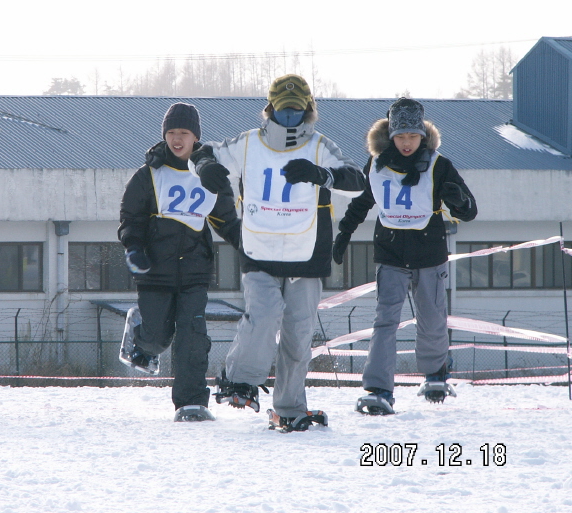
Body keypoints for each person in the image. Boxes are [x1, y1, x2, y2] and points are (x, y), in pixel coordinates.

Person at [189, 74, 365, 432]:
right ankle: (238, 379)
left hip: (308, 254)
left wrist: (321, 175)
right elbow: (203, 152)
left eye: (296, 110)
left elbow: (357, 180)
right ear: (270, 109)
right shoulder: (250, 143)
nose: (289, 117)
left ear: (307, 110)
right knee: (264, 314)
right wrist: (206, 167)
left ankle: (289, 406)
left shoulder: (318, 146)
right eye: (283, 110)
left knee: (299, 334)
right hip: (260, 249)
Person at [332, 97, 477, 415]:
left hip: (430, 254)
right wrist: (343, 234)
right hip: (391, 254)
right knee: (385, 322)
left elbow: (470, 211)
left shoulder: (440, 166)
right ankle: (379, 388)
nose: (407, 142)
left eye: (413, 136)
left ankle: (436, 374)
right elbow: (361, 202)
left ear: (423, 135)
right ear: (390, 135)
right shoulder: (376, 165)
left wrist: (459, 201)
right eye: (401, 136)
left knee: (432, 319)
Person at [118, 102, 241, 422]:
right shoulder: (149, 175)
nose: (176, 138)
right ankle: (140, 331)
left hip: (195, 272)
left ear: (195, 137)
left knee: (192, 335)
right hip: (154, 271)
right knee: (157, 337)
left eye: (183, 133)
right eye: (171, 133)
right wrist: (134, 248)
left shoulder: (209, 173)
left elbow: (227, 221)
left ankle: (191, 402)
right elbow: (131, 218)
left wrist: (249, 247)